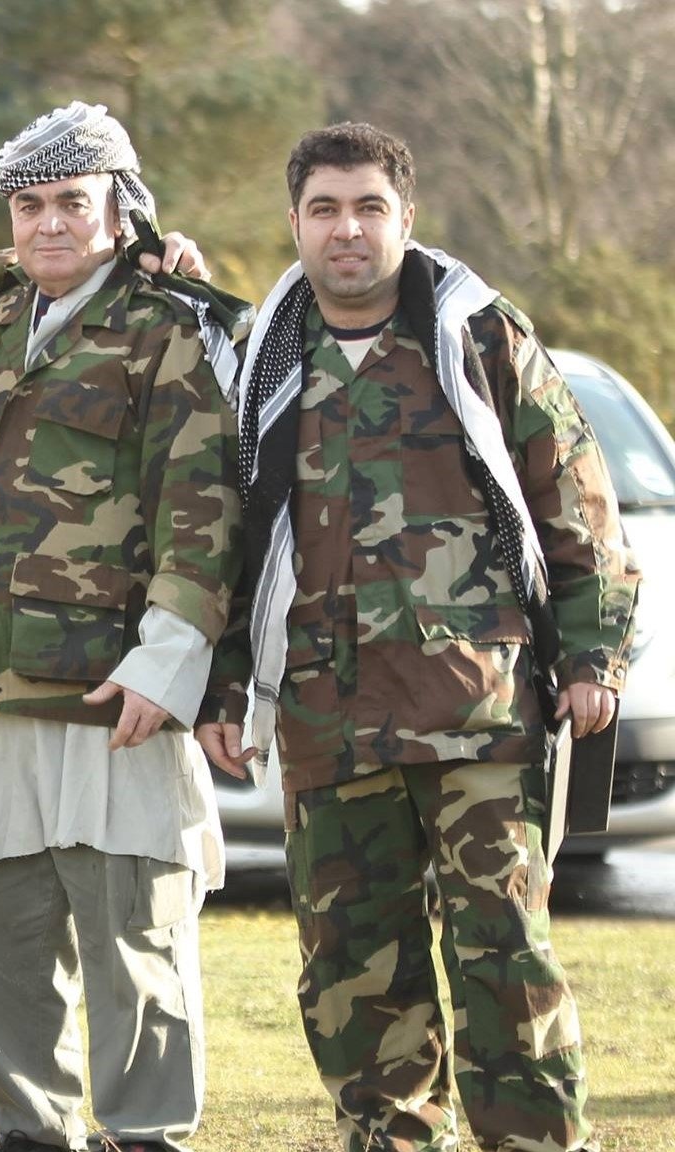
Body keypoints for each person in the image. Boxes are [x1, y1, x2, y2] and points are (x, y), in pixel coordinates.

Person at [197, 122, 638, 1152]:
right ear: (294, 222)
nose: (345, 230)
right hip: (326, 715)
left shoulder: (477, 337)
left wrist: (591, 657)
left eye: (368, 208)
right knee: (351, 966)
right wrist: (226, 688)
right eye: (323, 209)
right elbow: (226, 539)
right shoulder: (260, 359)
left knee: (503, 955)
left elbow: (576, 503)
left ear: (405, 217)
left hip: (477, 710)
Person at [0, 103, 243, 1152]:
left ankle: (145, 1135)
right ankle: (31, 1134)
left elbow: (202, 506)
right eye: (28, 205)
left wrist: (169, 662)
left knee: (134, 942)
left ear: (120, 210)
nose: (49, 223)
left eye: (73, 201)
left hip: (114, 687)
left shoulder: (166, 323)